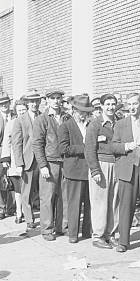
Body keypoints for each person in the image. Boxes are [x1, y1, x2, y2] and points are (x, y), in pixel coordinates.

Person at [109, 92, 140, 252]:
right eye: (130, 104)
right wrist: (127, 146)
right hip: (127, 168)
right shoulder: (121, 124)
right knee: (126, 206)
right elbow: (113, 146)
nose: (132, 107)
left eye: (135, 104)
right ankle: (123, 242)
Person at [32, 90, 68, 241]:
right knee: (47, 197)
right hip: (50, 163)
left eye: (58, 98)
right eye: (52, 98)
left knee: (64, 196)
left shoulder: (67, 117)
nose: (56, 101)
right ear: (47, 100)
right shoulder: (42, 119)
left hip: (65, 162)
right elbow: (37, 144)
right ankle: (47, 229)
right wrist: (43, 165)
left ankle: (62, 226)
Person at [85, 93, 120, 249]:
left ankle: (111, 234)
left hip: (116, 165)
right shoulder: (95, 124)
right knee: (100, 201)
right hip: (101, 165)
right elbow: (89, 148)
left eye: (113, 104)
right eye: (108, 104)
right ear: (102, 106)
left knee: (115, 202)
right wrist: (95, 170)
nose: (111, 107)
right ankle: (98, 235)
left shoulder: (119, 123)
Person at [58, 95, 93, 243]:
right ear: (73, 110)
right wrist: (85, 148)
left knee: (90, 204)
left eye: (85, 112)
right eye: (80, 111)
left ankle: (87, 232)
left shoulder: (91, 125)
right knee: (74, 204)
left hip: (90, 170)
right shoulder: (65, 126)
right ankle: (72, 234)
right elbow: (63, 148)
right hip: (74, 170)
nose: (83, 114)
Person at [12, 91, 42, 230]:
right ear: (27, 104)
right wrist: (19, 163)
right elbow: (16, 143)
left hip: (43, 160)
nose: (34, 104)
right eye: (31, 102)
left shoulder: (43, 117)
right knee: (27, 191)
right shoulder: (20, 120)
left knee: (44, 190)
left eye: (37, 101)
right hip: (28, 160)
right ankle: (29, 218)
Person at [2, 100, 27, 224]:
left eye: (24, 110)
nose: (22, 112)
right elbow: (6, 141)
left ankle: (28, 211)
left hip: (29, 159)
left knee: (28, 187)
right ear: (16, 111)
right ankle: (19, 212)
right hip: (14, 159)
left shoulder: (32, 122)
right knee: (18, 189)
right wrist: (5, 158)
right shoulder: (11, 124)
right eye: (19, 110)